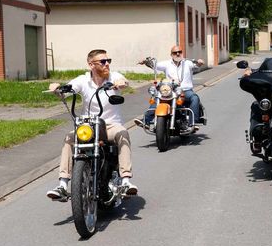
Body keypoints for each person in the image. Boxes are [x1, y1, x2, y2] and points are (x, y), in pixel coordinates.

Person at [46, 49, 137, 201]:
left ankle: (126, 181)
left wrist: (122, 84)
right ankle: (62, 185)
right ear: (91, 65)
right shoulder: (83, 80)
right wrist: (58, 88)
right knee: (69, 138)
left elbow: (124, 82)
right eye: (103, 61)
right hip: (89, 125)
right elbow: (69, 88)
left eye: (109, 61)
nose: (107, 64)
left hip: (110, 126)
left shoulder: (114, 76)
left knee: (123, 133)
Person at [135, 45, 204, 132]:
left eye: (180, 52)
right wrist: (145, 62)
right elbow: (154, 65)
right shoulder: (166, 64)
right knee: (157, 98)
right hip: (170, 90)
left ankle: (193, 122)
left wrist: (200, 62)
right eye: (175, 52)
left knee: (194, 98)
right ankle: (146, 121)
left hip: (185, 91)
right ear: (171, 54)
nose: (178, 54)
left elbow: (197, 65)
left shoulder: (187, 63)